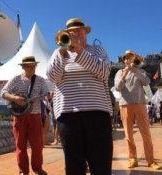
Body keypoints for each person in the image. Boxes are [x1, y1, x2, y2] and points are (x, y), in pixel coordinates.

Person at [46, 18, 113, 175]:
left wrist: (80, 51)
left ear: (85, 33)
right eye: (70, 32)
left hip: (98, 114)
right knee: (74, 167)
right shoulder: (58, 53)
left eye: (78, 30)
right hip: (68, 117)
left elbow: (104, 73)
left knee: (101, 165)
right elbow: (52, 77)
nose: (74, 33)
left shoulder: (98, 50)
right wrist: (63, 53)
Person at [1, 56, 48, 175]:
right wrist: (14, 98)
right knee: (20, 144)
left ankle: (37, 168)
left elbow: (45, 94)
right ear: (23, 67)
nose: (32, 68)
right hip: (19, 116)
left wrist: (46, 96)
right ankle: (23, 170)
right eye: (29, 66)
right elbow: (3, 93)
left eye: (33, 65)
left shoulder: (41, 80)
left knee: (37, 144)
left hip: (35, 115)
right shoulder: (15, 79)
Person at [114, 50, 160, 169]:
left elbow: (146, 82)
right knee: (128, 134)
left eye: (131, 57)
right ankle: (132, 158)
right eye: (126, 58)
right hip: (125, 105)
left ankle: (150, 160)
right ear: (124, 60)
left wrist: (134, 70)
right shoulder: (119, 72)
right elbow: (118, 87)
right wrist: (125, 74)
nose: (129, 60)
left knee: (146, 133)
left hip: (140, 104)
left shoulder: (139, 71)